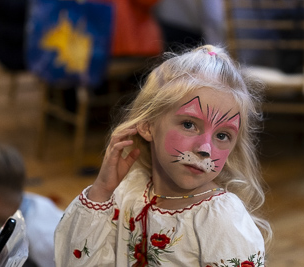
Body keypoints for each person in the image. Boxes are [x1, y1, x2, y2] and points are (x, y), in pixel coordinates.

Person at [54, 44, 272, 266]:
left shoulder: (221, 218)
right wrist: (101, 190)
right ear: (148, 125)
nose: (205, 148)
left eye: (223, 136)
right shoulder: (130, 193)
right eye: (189, 124)